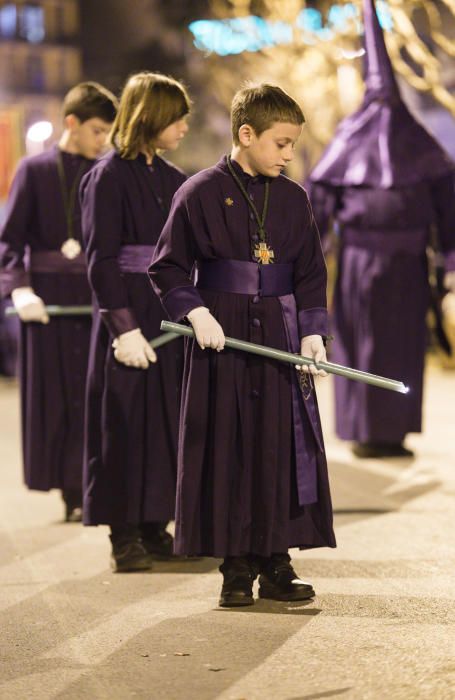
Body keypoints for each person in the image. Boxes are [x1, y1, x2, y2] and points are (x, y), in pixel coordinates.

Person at [149, 83, 335, 607]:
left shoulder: (295, 198)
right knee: (226, 447)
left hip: (278, 332)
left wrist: (314, 330)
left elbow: (310, 272)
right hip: (221, 339)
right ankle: (234, 568)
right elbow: (166, 266)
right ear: (246, 134)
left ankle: (277, 561)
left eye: (292, 144)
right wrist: (195, 310)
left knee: (279, 447)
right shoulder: (199, 192)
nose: (288, 154)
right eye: (280, 143)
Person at [307, 0, 455, 459]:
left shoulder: (423, 151)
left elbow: (448, 214)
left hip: (408, 268)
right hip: (358, 265)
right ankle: (365, 430)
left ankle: (394, 431)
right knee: (362, 345)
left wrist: (449, 266)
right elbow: (317, 209)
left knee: (403, 347)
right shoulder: (347, 143)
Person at [80, 72, 190, 572]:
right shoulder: (107, 176)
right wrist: (121, 327)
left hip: (166, 312)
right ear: (152, 116)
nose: (184, 127)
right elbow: (101, 259)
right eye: (177, 117)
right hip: (126, 313)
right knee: (122, 424)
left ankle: (154, 523)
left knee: (165, 420)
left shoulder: (173, 179)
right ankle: (122, 533)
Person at [0, 82, 117, 520]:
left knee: (93, 392)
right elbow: (9, 240)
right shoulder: (34, 170)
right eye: (97, 131)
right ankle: (68, 488)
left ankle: (92, 483)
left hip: (92, 295)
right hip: (45, 301)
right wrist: (19, 288)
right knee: (54, 395)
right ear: (72, 123)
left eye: (108, 133)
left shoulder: (106, 172)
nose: (103, 140)